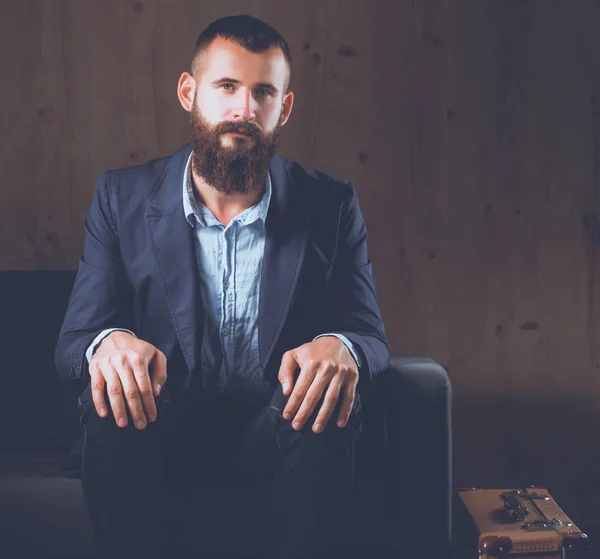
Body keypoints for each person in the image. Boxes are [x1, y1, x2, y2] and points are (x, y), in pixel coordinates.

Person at [55, 14, 389, 559]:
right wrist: (107, 342)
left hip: (283, 432)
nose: (243, 110)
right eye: (227, 87)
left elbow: (371, 337)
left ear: (283, 108)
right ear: (190, 93)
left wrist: (343, 346)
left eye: (263, 93)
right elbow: (74, 340)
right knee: (112, 401)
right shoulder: (121, 197)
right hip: (161, 427)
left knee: (325, 405)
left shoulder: (331, 204)